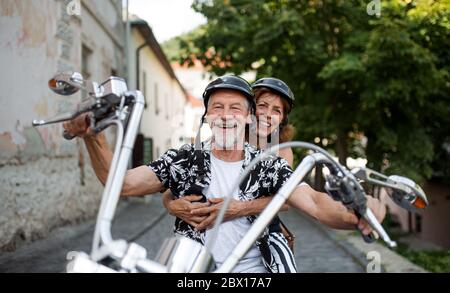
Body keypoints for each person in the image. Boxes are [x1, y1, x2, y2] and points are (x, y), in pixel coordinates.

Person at [63, 75, 386, 273]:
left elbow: (315, 203)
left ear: (247, 118)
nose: (226, 115)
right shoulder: (184, 157)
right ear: (206, 116)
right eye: (217, 107)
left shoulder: (270, 162)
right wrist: (93, 135)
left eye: (235, 108)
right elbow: (122, 184)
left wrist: (361, 210)